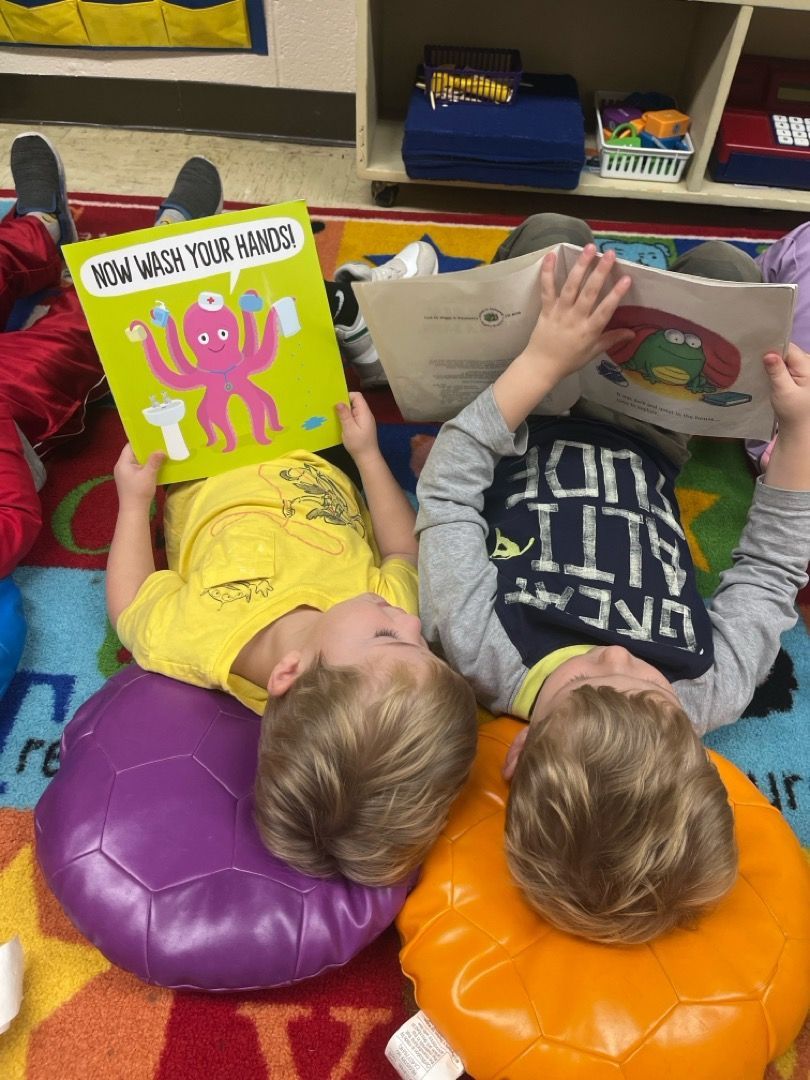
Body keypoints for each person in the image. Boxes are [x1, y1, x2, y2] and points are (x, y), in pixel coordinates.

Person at [415, 213, 810, 944]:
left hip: (531, 406)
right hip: (655, 425)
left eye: (592, 678)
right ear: (699, 747)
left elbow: (446, 494)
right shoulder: (712, 686)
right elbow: (771, 570)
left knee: (553, 236)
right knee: (729, 272)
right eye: (652, 689)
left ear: (523, 748)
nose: (623, 654)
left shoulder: (479, 647)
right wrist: (798, 435)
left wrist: (541, 360)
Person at [106, 385, 477, 885]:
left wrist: (133, 504)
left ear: (290, 671)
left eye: (391, 635)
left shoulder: (199, 639)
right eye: (424, 645)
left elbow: (130, 605)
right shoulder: (380, 613)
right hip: (319, 450)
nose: (411, 620)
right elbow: (403, 554)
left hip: (199, 456)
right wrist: (367, 456)